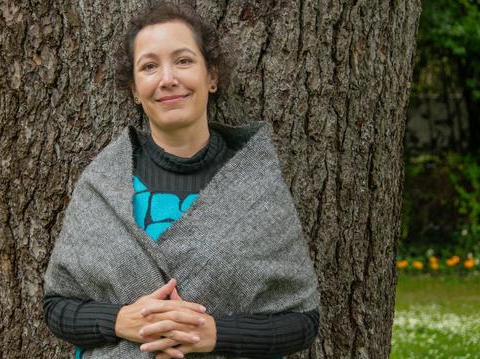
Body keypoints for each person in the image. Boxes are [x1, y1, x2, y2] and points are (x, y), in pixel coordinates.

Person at [43, 3, 321, 358]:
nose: (167, 78)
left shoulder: (256, 185)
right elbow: (57, 306)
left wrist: (216, 333)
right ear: (134, 88)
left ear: (212, 76)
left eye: (184, 61)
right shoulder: (103, 185)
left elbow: (302, 321)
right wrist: (120, 320)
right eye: (149, 66)